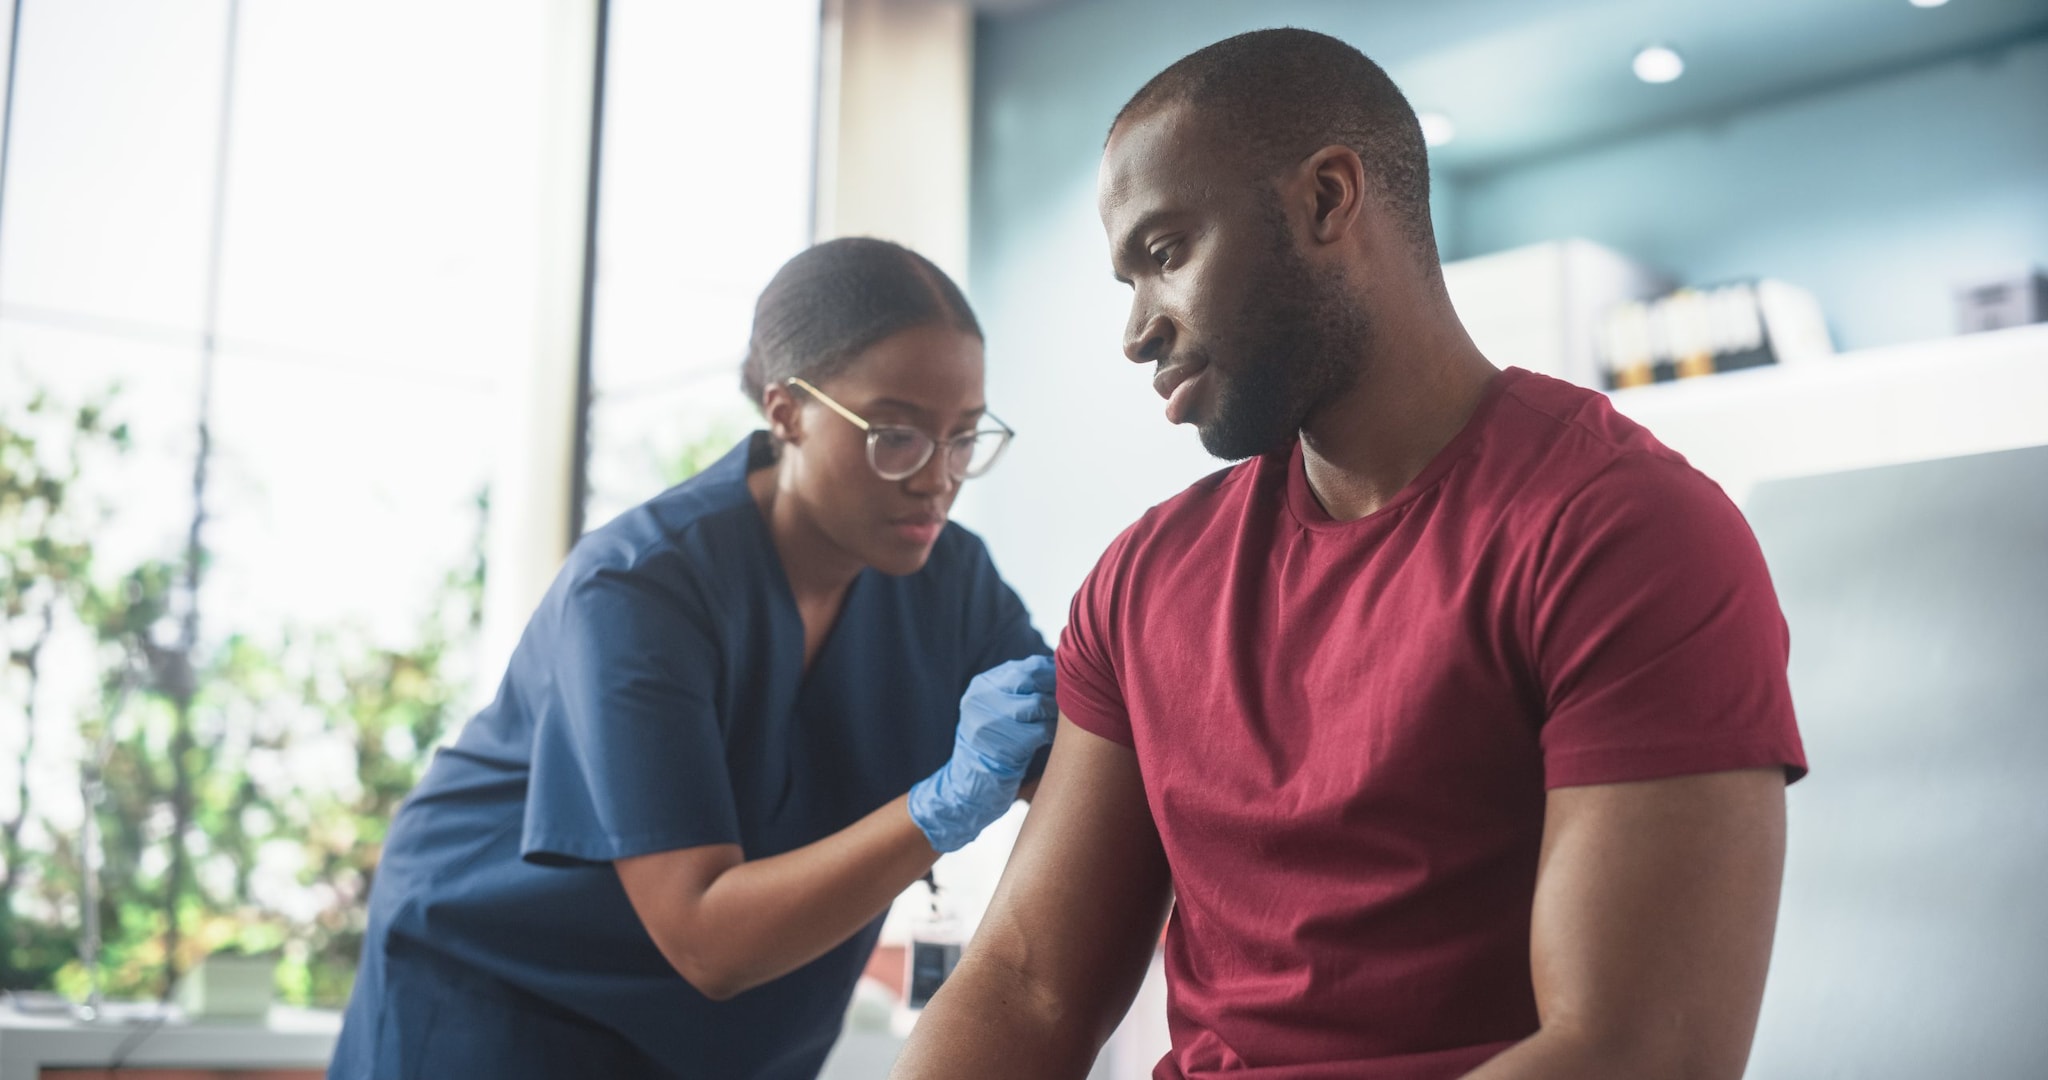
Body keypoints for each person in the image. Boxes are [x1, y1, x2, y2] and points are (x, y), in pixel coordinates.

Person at [893, 28, 1807, 1080]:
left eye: (1166, 253)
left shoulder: (1625, 536)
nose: (1137, 330)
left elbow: (1633, 1055)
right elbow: (1025, 985)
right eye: (1126, 281)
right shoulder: (1140, 585)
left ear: (1327, 199)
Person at [329, 237, 1056, 1080]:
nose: (937, 478)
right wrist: (942, 809)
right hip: (496, 996)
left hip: (720, 1039)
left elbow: (1081, 748)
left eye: (964, 437)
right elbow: (708, 936)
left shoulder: (952, 582)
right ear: (786, 411)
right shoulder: (640, 587)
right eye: (894, 434)